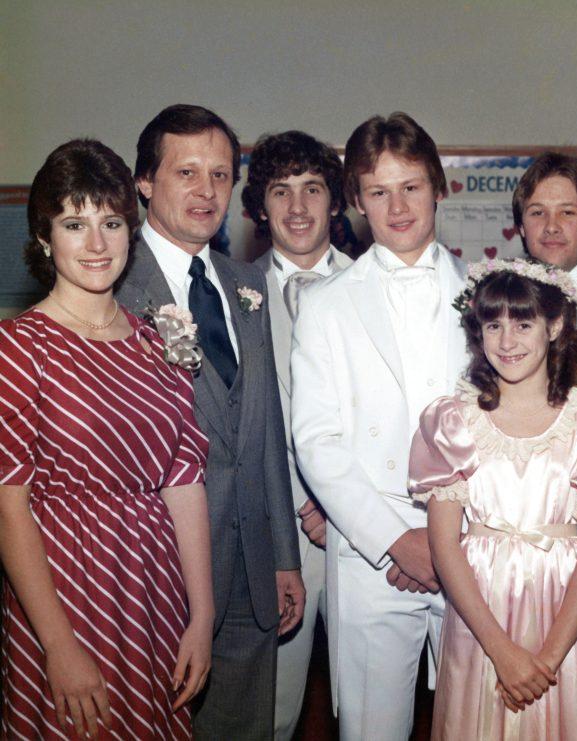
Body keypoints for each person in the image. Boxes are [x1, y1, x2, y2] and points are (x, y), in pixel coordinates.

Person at [0, 138, 213, 738]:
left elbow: (185, 482)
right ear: (45, 238)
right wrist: (57, 646)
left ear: (131, 231)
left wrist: (202, 614)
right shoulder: (19, 348)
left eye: (111, 222)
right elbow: (8, 507)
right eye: (75, 223)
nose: (96, 244)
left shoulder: (157, 342)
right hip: (65, 585)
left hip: (154, 588)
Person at [116, 104, 303, 739]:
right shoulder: (110, 287)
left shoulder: (245, 282)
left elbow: (266, 429)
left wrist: (285, 555)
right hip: (155, 571)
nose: (206, 191)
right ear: (144, 182)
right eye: (187, 172)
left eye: (220, 175)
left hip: (253, 571)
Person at [409, 257, 577, 739]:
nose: (507, 341)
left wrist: (548, 659)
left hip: (567, 614)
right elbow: (445, 546)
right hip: (482, 613)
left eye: (524, 323)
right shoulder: (453, 420)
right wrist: (502, 651)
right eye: (493, 325)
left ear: (555, 325)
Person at [290, 112, 468, 740]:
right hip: (373, 554)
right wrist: (397, 539)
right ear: (356, 203)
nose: (397, 206)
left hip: (474, 548)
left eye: (411, 186)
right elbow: (316, 440)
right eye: (378, 191)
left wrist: (448, 540)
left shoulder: (491, 295)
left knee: (474, 725)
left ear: (439, 187)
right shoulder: (326, 303)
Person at [241, 129, 353, 741]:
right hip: (274, 538)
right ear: (261, 207)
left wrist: (341, 506)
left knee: (371, 710)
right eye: (280, 192)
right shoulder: (232, 294)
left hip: (366, 532)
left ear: (336, 201)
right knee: (275, 714)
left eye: (313, 189)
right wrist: (296, 513)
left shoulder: (375, 286)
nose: (298, 207)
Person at [512, 152, 577, 327]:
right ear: (522, 227)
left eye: (567, 212)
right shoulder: (488, 306)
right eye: (538, 213)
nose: (551, 227)